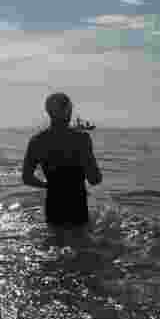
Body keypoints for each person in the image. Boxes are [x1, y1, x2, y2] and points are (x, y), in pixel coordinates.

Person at [22, 92, 103, 226]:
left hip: (53, 206)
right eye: (70, 108)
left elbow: (27, 178)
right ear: (66, 110)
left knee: (55, 241)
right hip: (77, 206)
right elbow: (94, 179)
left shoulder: (37, 141)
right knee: (81, 244)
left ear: (49, 112)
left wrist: (49, 185)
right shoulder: (81, 139)